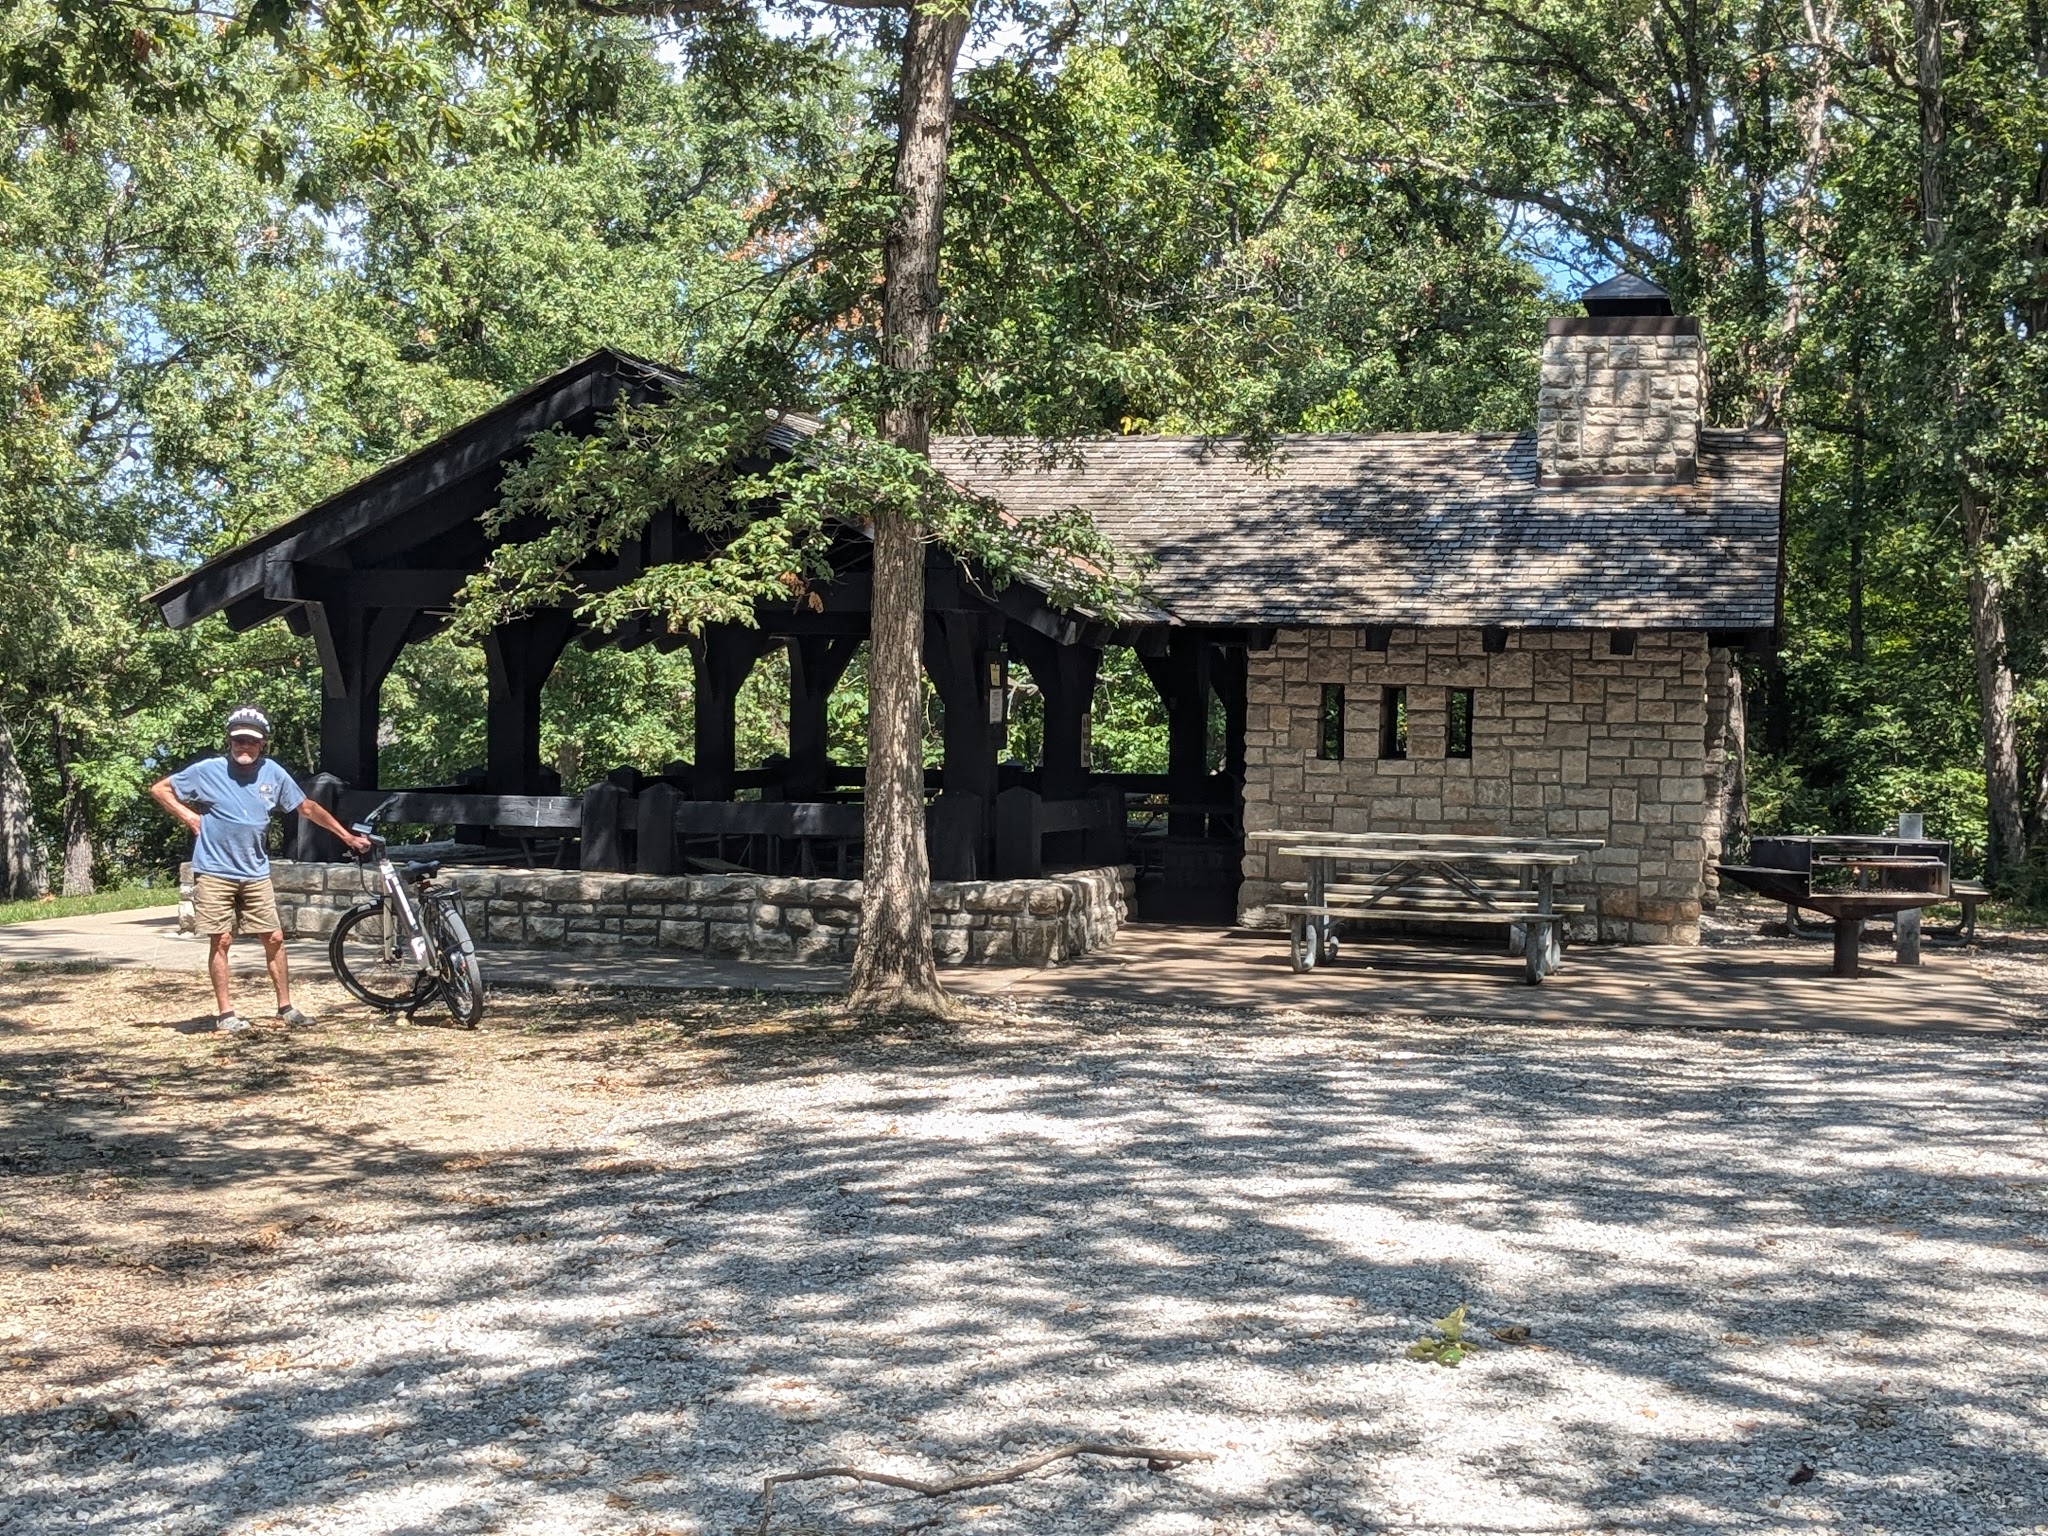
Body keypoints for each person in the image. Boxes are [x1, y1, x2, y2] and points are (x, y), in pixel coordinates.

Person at [150, 707, 370, 1033]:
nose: (244, 746)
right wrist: (189, 817)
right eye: (238, 739)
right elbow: (160, 789)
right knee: (222, 939)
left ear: (262, 745)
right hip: (214, 870)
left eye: (251, 741)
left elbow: (306, 807)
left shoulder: (273, 773)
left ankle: (286, 1007)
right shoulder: (207, 770)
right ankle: (226, 1014)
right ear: (229, 740)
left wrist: (347, 836)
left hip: (255, 871)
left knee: (275, 937)